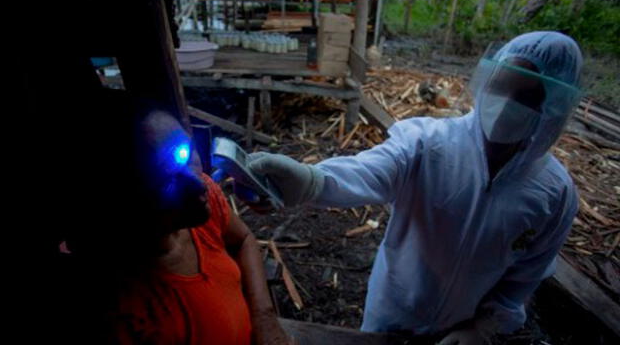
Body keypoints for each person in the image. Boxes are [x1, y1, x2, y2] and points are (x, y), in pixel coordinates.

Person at [242, 31, 583, 344]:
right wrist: (313, 180)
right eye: (500, 87)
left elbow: (523, 279)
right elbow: (371, 171)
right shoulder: (428, 143)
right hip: (392, 312)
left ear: (553, 108)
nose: (506, 103)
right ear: (485, 82)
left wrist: (483, 329)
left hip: (460, 328)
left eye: (525, 97)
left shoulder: (554, 194)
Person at [62, 97, 292, 345]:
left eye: (184, 153)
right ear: (124, 201)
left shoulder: (205, 203)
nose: (197, 182)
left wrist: (264, 317)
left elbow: (244, 239)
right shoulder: (126, 313)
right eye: (166, 178)